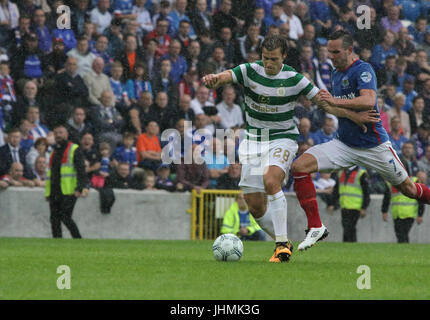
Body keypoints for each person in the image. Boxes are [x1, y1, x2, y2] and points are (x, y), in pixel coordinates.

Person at [202, 34, 379, 262]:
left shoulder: (295, 79)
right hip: (254, 141)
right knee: (255, 206)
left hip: (282, 138)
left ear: (284, 56)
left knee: (271, 180)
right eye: (265, 58)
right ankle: (283, 239)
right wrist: (216, 78)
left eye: (274, 59)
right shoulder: (250, 71)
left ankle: (281, 246)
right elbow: (227, 75)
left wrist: (353, 116)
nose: (268, 64)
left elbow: (324, 103)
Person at [292, 30, 430, 252]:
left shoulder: (363, 69)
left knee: (409, 190)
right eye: (329, 52)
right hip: (344, 145)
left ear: (349, 50)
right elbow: (333, 107)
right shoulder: (336, 73)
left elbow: (368, 100)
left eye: (336, 52)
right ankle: (316, 227)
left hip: (374, 146)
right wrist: (352, 115)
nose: (332, 56)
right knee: (299, 166)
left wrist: (336, 101)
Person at [45, 124, 88, 239]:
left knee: (65, 217)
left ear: (66, 134)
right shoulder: (54, 151)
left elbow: (81, 170)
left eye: (61, 132)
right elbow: (51, 173)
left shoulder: (74, 149)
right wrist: (48, 192)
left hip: (69, 190)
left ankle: (78, 238)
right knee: (54, 218)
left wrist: (80, 188)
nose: (58, 135)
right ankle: (57, 242)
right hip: (55, 189)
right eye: (56, 133)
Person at [331, 166, 370, 242]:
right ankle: (350, 245)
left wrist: (364, 207)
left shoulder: (361, 173)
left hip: (355, 206)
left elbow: (366, 192)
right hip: (344, 205)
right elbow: (336, 189)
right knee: (347, 227)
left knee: (349, 227)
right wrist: (332, 203)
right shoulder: (341, 173)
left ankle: (348, 244)